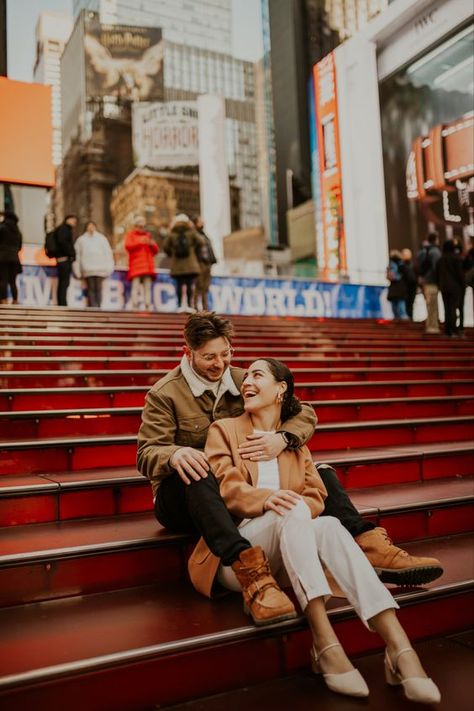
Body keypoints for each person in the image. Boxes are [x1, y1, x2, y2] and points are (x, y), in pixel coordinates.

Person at [137, 313, 442, 624]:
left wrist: (283, 439)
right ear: (187, 352)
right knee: (199, 470)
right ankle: (250, 573)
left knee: (320, 471)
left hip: (240, 487)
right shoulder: (165, 393)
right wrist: (175, 454)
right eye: (209, 357)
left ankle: (369, 544)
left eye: (226, 353)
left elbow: (304, 412)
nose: (220, 364)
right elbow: (146, 453)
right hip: (188, 496)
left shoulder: (246, 379)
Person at [188, 358, 440, 702]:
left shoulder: (292, 442)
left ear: (281, 390)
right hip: (239, 559)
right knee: (294, 510)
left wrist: (293, 504)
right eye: (245, 376)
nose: (246, 381)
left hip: (291, 549)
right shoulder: (225, 430)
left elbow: (316, 494)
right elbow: (226, 487)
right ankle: (324, 639)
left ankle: (399, 646)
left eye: (257, 375)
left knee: (331, 524)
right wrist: (269, 499)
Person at [163, 214, 204, 313]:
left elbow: (165, 247)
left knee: (179, 285)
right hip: (191, 264)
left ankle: (180, 305)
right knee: (190, 285)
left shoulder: (172, 233)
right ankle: (189, 306)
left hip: (177, 264)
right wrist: (193, 249)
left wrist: (172, 253)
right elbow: (201, 242)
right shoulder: (191, 232)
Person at [73, 221, 114, 308]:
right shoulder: (81, 240)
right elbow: (77, 256)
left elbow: (108, 253)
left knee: (98, 289)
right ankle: (93, 307)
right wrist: (78, 270)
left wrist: (109, 267)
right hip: (87, 270)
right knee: (91, 289)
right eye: (89, 226)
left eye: (92, 226)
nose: (91, 228)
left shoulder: (102, 238)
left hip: (100, 269)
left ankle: (98, 306)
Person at [125, 216, 158, 311]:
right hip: (136, 267)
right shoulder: (130, 235)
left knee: (147, 287)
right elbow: (128, 246)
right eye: (139, 226)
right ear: (135, 226)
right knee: (135, 287)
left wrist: (151, 244)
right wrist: (141, 241)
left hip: (147, 267)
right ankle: (134, 305)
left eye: (143, 226)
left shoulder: (148, 236)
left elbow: (156, 250)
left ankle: (148, 305)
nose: (141, 228)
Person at [436, 239, 465, 337]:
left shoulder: (440, 259)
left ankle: (447, 331)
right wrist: (462, 284)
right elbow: (460, 274)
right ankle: (454, 330)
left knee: (446, 309)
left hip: (444, 287)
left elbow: (437, 274)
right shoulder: (456, 258)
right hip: (455, 287)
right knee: (453, 308)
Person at [416, 233, 441, 334]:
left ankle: (431, 325)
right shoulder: (435, 252)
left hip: (425, 281)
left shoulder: (423, 252)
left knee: (430, 305)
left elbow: (418, 266)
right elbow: (437, 268)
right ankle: (433, 327)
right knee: (433, 305)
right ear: (435, 240)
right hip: (432, 281)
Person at [192, 216, 217, 311]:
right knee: (199, 286)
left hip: (207, 264)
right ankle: (195, 306)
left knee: (205, 287)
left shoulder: (204, 235)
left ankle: (205, 307)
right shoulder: (194, 235)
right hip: (199, 263)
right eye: (200, 222)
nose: (203, 223)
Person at [0, 211, 22, 305]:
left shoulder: (2, 228)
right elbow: (20, 247)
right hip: (14, 258)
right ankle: (15, 300)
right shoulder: (18, 231)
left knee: (2, 279)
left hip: (2, 257)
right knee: (13, 281)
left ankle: (3, 300)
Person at [55, 214, 77, 306]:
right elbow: (63, 242)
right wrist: (71, 253)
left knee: (63, 283)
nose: (75, 223)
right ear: (68, 219)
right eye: (74, 221)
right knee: (64, 282)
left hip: (63, 259)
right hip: (64, 259)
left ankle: (62, 302)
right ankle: (62, 303)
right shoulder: (64, 229)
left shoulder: (64, 229)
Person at [386, 250, 408, 320]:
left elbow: (390, 277)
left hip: (396, 290)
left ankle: (403, 324)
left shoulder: (395, 265)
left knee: (399, 310)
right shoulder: (401, 265)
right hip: (398, 290)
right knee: (399, 310)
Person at [400, 248, 417, 320]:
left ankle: (410, 318)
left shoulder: (413, 265)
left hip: (412, 287)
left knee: (410, 304)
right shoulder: (401, 266)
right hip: (404, 288)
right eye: (405, 254)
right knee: (405, 304)